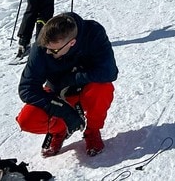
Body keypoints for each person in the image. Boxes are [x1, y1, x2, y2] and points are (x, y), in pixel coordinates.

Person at [17, 12, 118, 158]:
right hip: (58, 93)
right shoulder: (42, 46)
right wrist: (62, 110)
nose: (48, 52)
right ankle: (60, 130)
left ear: (72, 43)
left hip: (87, 91)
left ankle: (92, 131)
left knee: (103, 88)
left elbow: (109, 72)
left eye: (54, 50)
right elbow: (27, 88)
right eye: (46, 48)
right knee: (27, 119)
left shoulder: (93, 33)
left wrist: (71, 78)